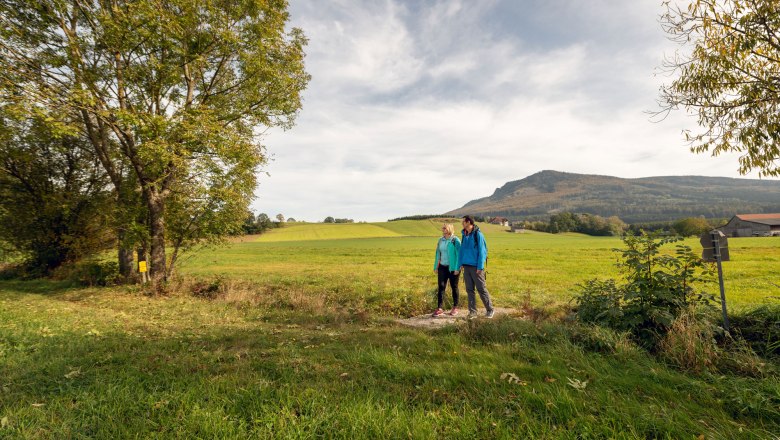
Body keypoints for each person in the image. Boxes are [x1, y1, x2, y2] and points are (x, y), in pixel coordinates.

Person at [458, 215, 494, 319]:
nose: (462, 224)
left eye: (463, 222)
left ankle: (490, 310)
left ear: (469, 222)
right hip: (466, 266)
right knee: (469, 290)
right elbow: (462, 251)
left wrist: (480, 266)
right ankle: (472, 312)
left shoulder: (478, 234)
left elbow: (482, 252)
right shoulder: (464, 235)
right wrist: (460, 264)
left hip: (476, 267)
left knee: (481, 289)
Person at [432, 223, 461, 317]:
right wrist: (436, 266)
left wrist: (457, 268)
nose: (442, 229)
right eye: (442, 228)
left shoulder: (455, 240)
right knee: (441, 286)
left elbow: (459, 255)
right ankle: (440, 308)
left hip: (453, 268)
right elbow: (438, 254)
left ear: (449, 229)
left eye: (444, 228)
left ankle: (455, 307)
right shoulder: (440, 240)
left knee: (454, 287)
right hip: (442, 267)